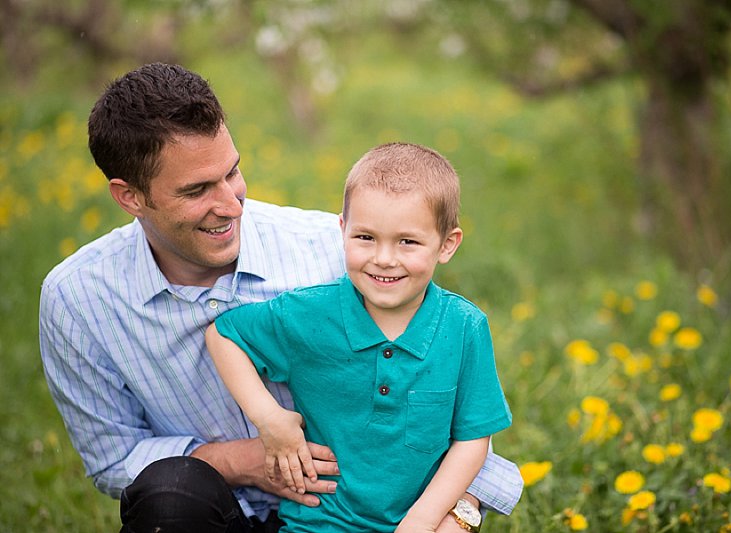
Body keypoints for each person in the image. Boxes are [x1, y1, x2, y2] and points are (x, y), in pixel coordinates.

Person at [38, 62, 522, 533]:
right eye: (197, 190)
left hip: (376, 514)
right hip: (242, 515)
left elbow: (449, 418)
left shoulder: (345, 253)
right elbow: (115, 461)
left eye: (232, 173)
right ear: (130, 197)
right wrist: (246, 459)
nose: (230, 205)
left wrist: (455, 516)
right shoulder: (78, 300)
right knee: (169, 497)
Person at [206, 142, 512, 532]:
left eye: (407, 241)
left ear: (446, 244)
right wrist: (269, 418)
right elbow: (224, 334)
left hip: (421, 522)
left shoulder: (464, 327)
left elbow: (472, 439)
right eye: (366, 237)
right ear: (342, 230)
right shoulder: (309, 314)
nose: (383, 258)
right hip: (320, 523)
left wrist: (423, 519)